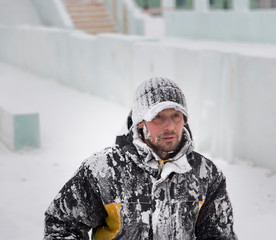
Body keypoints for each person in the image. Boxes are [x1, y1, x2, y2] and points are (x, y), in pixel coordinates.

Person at [44, 77, 237, 240]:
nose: (169, 125)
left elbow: (219, 236)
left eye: (176, 115)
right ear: (139, 123)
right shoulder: (103, 170)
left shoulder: (205, 174)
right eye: (158, 117)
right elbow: (62, 224)